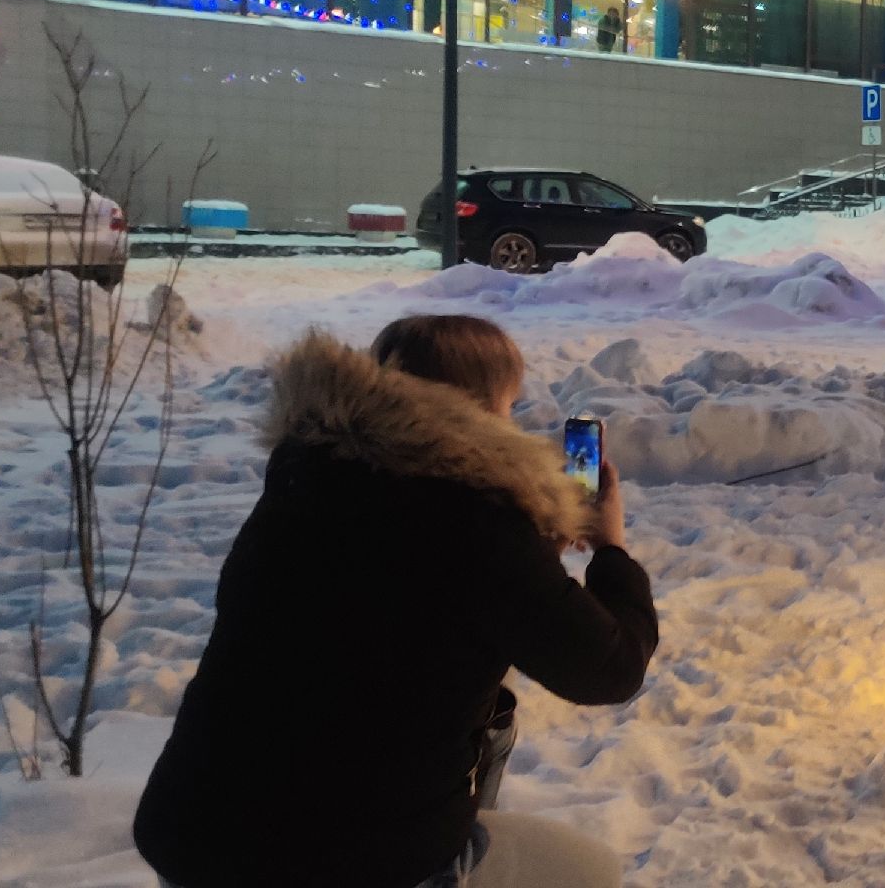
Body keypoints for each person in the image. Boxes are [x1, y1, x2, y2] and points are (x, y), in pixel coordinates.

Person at [134, 315, 658, 888]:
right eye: (509, 405)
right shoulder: (474, 522)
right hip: (355, 860)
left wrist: (531, 552)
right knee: (585, 872)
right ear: (479, 409)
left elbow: (389, 600)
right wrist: (610, 550)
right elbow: (610, 669)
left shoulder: (309, 476)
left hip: (193, 834)